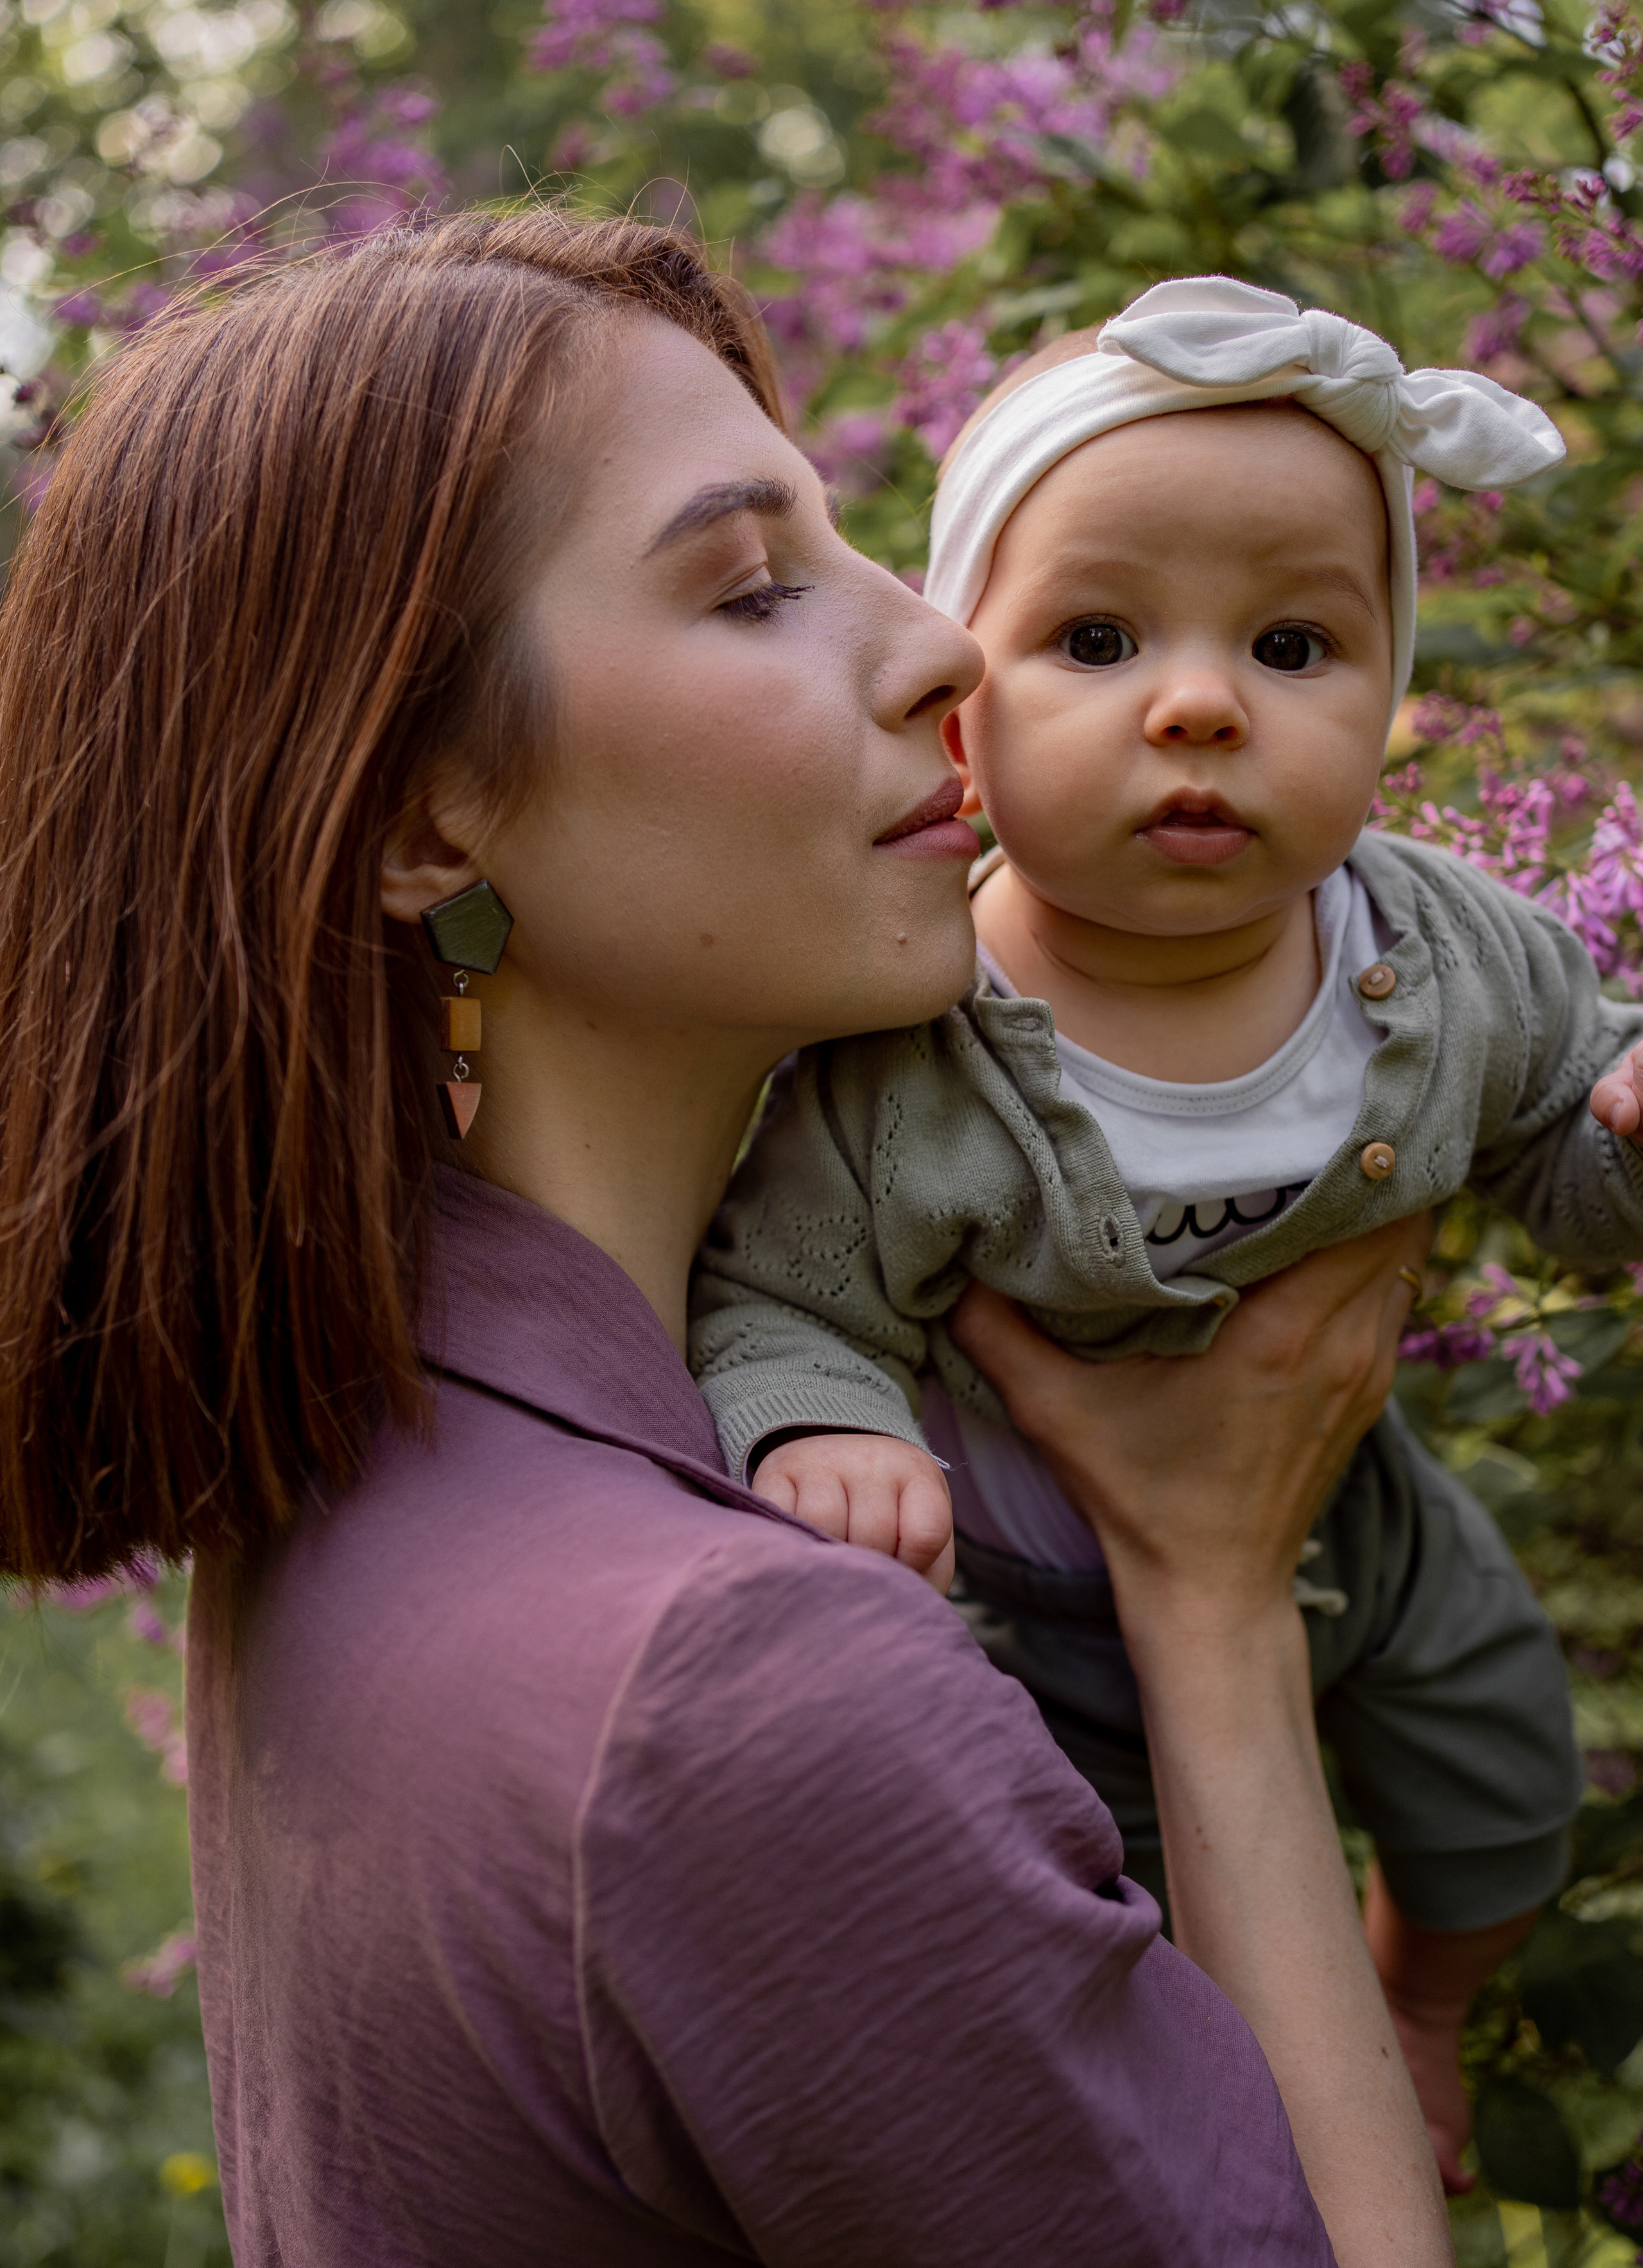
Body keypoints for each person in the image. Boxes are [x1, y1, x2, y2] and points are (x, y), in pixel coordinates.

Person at [0, 214, 1449, 2266]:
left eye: (852, 546)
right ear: (427, 820)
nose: (944, 649)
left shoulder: (380, 1458)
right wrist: (1213, 1616)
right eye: (755, 588)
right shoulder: (736, 1682)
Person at [689, 275, 1633, 2188]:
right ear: (966, 709)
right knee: (1126, 1931)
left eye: (1294, 644)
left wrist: (1629, 1138)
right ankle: (1276, 2128)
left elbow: (1565, 1145)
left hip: (1357, 1504)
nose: (1199, 703)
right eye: (1099, 637)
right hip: (1047, 1602)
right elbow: (784, 1291)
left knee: (1509, 1796)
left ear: (1390, 698)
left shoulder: (1440, 954)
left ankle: (1426, 2005)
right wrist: (824, 1427)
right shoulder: (915, 1038)